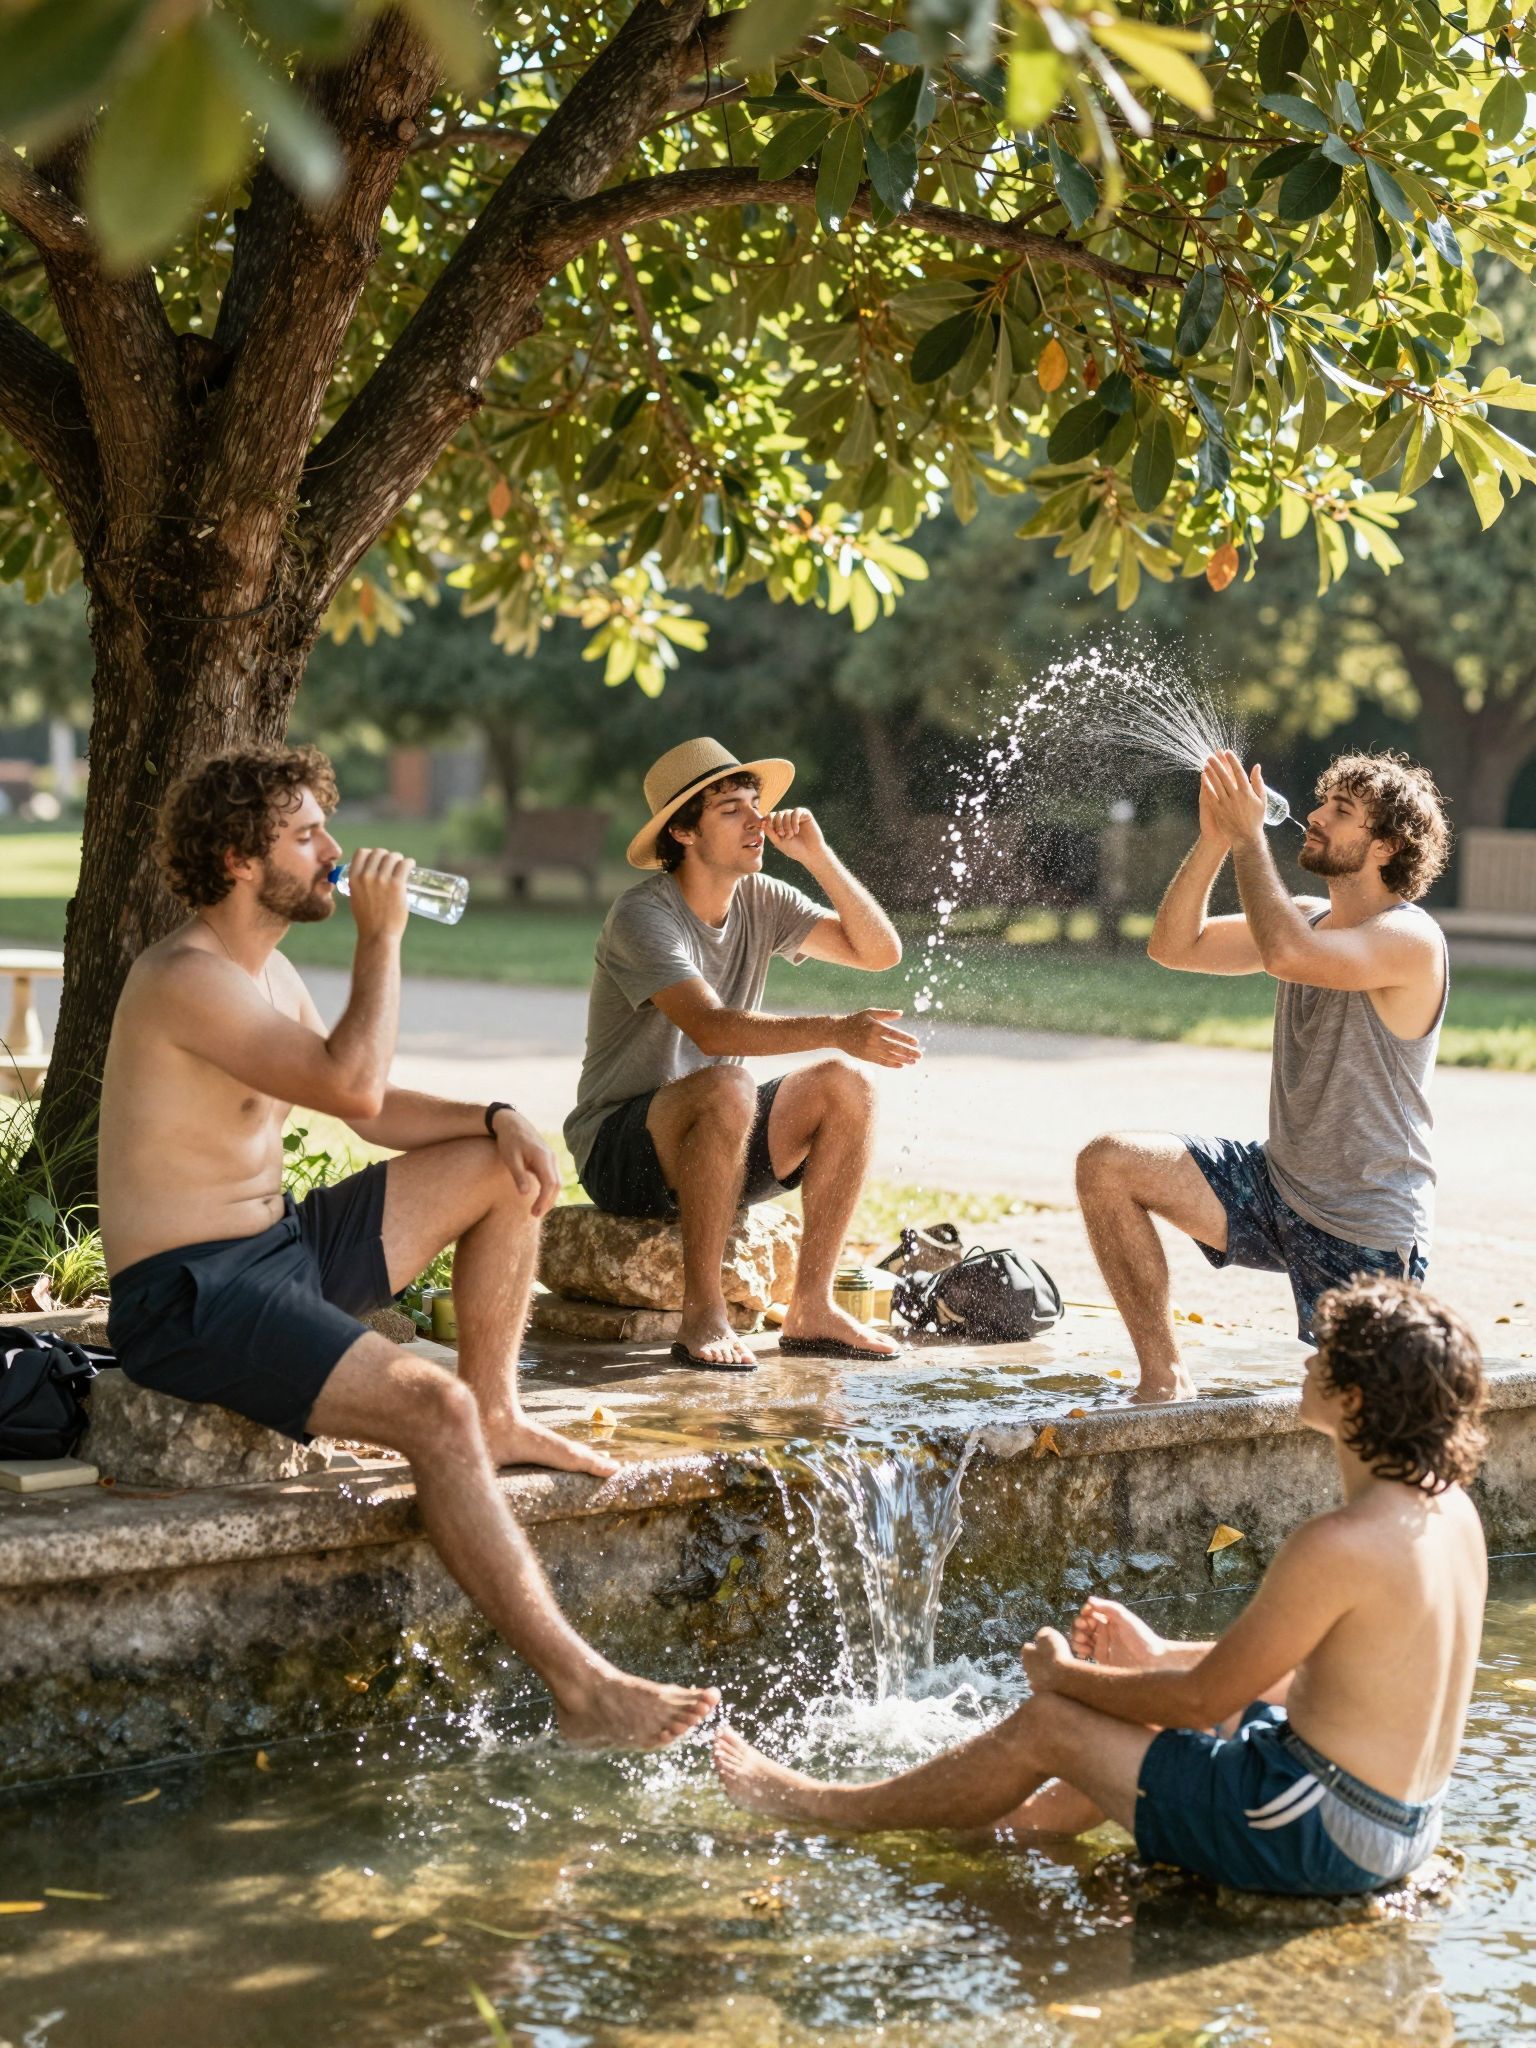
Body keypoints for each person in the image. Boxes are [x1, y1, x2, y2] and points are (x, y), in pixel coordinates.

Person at [99, 745, 717, 1750]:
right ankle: (584, 1691)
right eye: (307, 835)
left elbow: (370, 1107)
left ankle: (501, 1413)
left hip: (279, 1247)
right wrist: (382, 938)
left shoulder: (267, 971)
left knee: (499, 1167)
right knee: (434, 1409)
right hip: (192, 1294)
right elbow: (349, 1082)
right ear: (240, 860)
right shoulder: (184, 978)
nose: (335, 851)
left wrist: (495, 1114)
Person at [714, 1276, 1488, 1900]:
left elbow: (1197, 1701)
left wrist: (1066, 1677)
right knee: (1130, 1709)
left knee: (1051, 1724)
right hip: (1394, 1826)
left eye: (1325, 1356)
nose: (1307, 1363)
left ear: (1356, 1400)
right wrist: (1154, 1656)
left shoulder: (1337, 1544)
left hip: (1317, 1833)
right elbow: (1323, 1679)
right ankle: (1006, 1828)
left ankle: (823, 1807)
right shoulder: (1451, 1515)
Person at [1077, 748, 1451, 1400]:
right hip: (1276, 1187)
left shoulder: (1411, 941)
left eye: (1341, 811)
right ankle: (1164, 1380)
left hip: (1365, 1226)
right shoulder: (1304, 915)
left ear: (1387, 846)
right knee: (1108, 1164)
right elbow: (1174, 945)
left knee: (1357, 1414)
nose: (1315, 816)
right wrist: (1216, 839)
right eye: (1322, 802)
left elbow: (1286, 954)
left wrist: (1250, 838)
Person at [564, 737, 920, 1372]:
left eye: (756, 804)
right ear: (683, 832)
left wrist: (817, 857)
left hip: (719, 1137)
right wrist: (837, 1027)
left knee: (846, 1085)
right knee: (730, 1082)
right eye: (731, 810)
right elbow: (713, 1030)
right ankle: (703, 1314)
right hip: (621, 1150)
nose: (757, 820)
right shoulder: (642, 915)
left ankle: (811, 1306)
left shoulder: (762, 898)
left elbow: (880, 953)